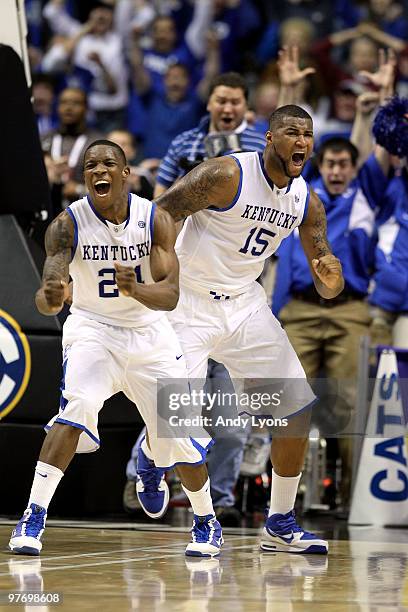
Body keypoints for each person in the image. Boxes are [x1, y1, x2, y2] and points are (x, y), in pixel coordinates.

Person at [8, 140, 222, 559]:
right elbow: (47, 298)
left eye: (108, 163)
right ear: (84, 176)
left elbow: (171, 296)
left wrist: (136, 288)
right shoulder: (66, 225)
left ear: (125, 173)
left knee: (178, 433)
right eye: (90, 165)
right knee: (78, 407)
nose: (98, 170)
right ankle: (33, 515)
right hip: (94, 330)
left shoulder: (155, 219)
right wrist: (51, 296)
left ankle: (206, 520)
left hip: (150, 333)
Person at [150, 104, 345, 554]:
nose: (302, 141)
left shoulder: (305, 200)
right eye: (292, 132)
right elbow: (161, 213)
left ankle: (279, 522)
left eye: (308, 134)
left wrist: (328, 277)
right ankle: (168, 482)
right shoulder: (225, 175)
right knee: (175, 415)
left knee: (294, 407)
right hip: (190, 301)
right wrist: (161, 272)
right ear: (270, 138)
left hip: (243, 304)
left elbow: (324, 269)